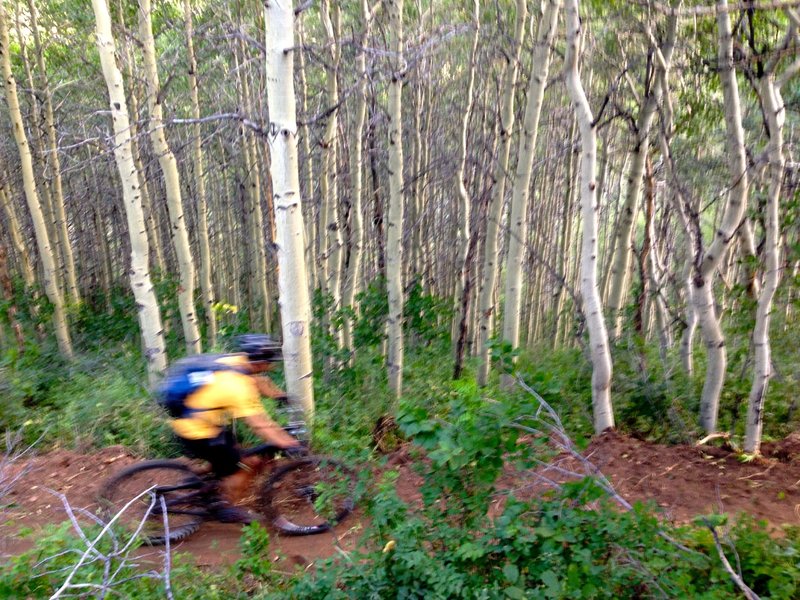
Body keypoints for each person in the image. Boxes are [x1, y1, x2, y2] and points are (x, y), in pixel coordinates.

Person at [169, 334, 301, 524]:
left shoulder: (236, 362)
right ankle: (228, 507)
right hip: (198, 433)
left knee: (232, 449)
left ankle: (196, 484)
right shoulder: (238, 387)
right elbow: (259, 424)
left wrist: (280, 396)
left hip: (199, 423)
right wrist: (288, 443)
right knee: (249, 464)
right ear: (260, 362)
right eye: (270, 362)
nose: (272, 366)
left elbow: (259, 381)